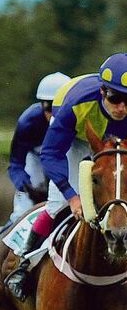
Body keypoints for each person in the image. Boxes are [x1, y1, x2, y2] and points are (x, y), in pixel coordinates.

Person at [5, 53, 127, 307]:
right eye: (115, 98)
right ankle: (24, 263)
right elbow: (51, 153)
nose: (121, 107)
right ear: (103, 92)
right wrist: (72, 195)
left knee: (124, 205)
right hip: (74, 139)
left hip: (115, 145)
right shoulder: (75, 104)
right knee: (57, 204)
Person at [7, 72, 70, 227]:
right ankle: (12, 229)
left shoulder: (78, 119)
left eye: (59, 107)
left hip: (65, 158)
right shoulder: (28, 122)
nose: (53, 114)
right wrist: (26, 186)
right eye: (49, 107)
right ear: (41, 105)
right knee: (21, 212)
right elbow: (16, 163)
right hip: (36, 159)